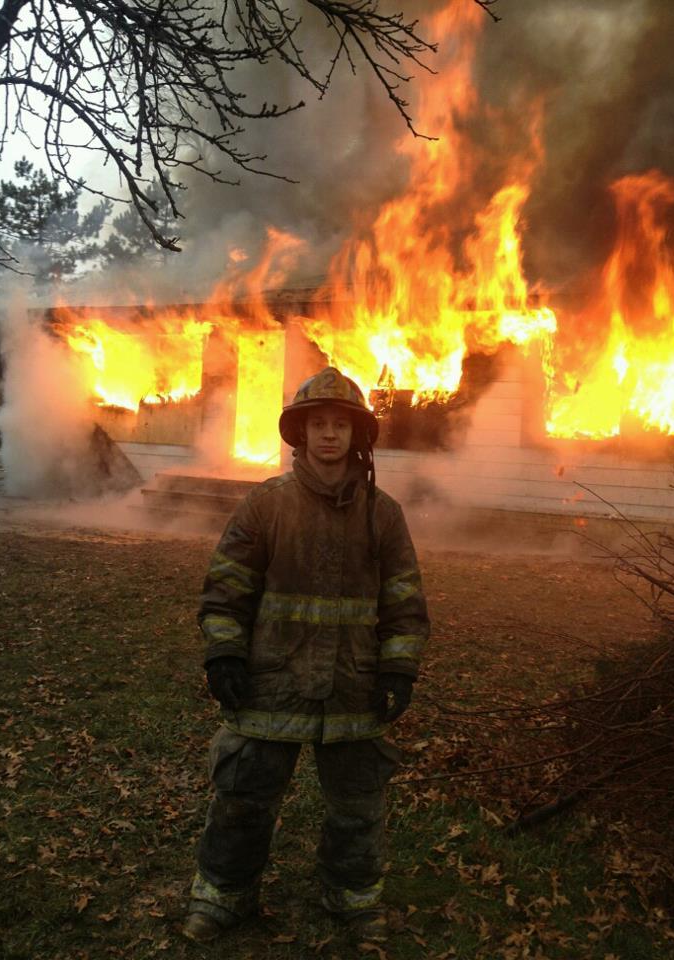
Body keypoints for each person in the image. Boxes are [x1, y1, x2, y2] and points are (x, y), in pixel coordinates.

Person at [183, 366, 429, 944]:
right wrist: (224, 655)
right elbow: (226, 590)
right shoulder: (265, 505)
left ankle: (354, 899)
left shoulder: (383, 514)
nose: (329, 434)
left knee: (358, 806)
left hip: (353, 687)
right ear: (300, 432)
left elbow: (404, 602)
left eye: (340, 424)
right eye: (318, 424)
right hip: (271, 681)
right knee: (243, 797)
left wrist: (398, 669)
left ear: (357, 434)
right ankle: (222, 896)